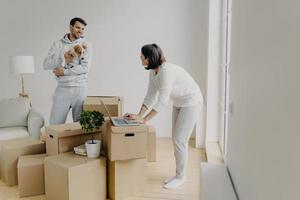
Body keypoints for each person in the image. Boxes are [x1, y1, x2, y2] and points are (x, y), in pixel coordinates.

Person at [124, 43, 203, 189]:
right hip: (179, 102)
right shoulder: (153, 72)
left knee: (179, 140)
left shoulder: (166, 71)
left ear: (148, 58)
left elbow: (162, 101)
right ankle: (178, 174)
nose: (139, 57)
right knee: (177, 139)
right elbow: (150, 96)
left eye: (142, 55)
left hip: (192, 101)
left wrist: (145, 119)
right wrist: (138, 115)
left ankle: (181, 176)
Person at [43, 17, 92, 125]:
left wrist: (64, 72)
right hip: (63, 89)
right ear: (70, 27)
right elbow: (46, 64)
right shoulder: (58, 44)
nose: (80, 31)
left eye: (83, 29)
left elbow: (85, 68)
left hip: (80, 89)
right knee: (55, 125)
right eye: (77, 27)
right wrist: (63, 59)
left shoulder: (86, 45)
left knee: (81, 126)